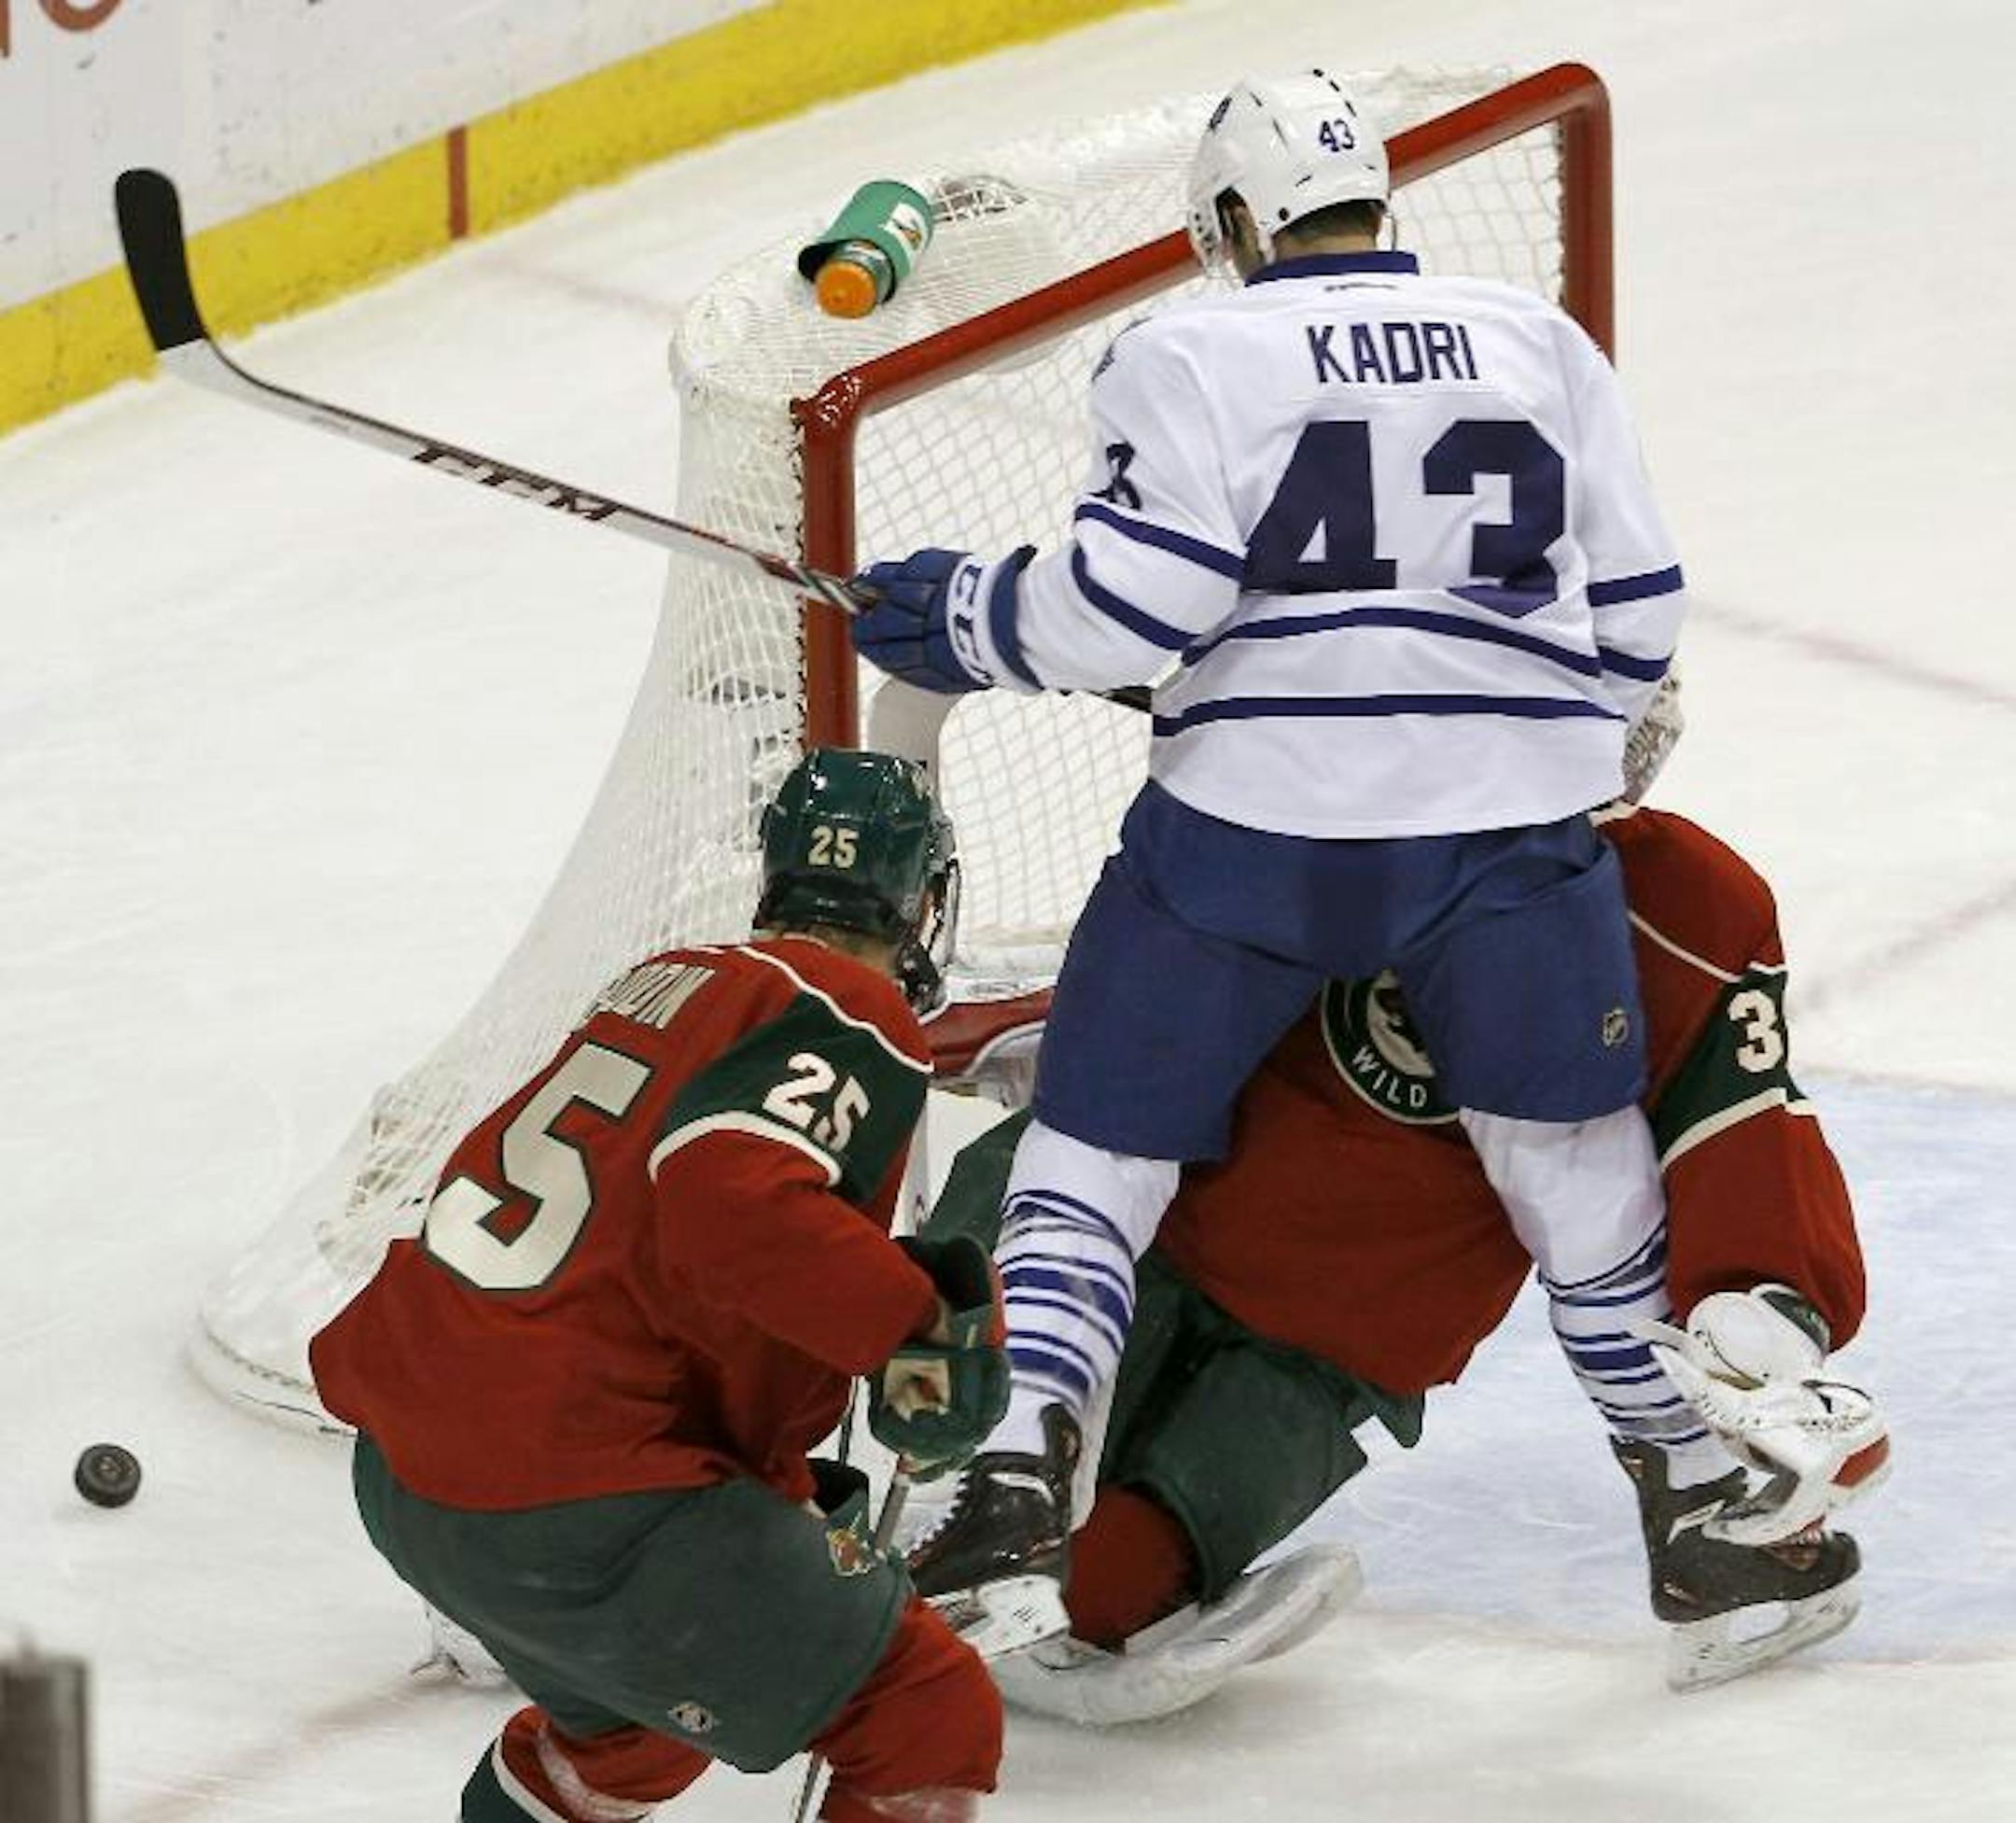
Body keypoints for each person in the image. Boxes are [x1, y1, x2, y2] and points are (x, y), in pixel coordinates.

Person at [851, 70, 1693, 1647]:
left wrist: (968, 612)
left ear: (1240, 219)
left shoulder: (1188, 351)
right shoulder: (1536, 339)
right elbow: (1642, 615)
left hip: (1256, 833)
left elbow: (1134, 609)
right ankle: (1711, 1501)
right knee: (1572, 1163)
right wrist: (1516, 741)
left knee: (1095, 1149)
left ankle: (1015, 1478)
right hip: (1505, 835)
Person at [915, 759, 1890, 1709]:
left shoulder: (1688, 910)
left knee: (1100, 1588)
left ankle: (1702, 1519)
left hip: (1328, 1344)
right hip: (1148, 1235)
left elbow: (1739, 1127)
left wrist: (1772, 1309)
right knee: (959, 1463)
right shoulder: (1326, 796)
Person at [309, 749, 1012, 1823]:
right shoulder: (850, 1005)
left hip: (412, 1476)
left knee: (635, 1739)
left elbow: (651, 1252)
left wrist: (769, 1481)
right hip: (579, 1495)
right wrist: (916, 1330)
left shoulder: (672, 980)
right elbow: (730, 1200)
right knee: (925, 1711)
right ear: (920, 899)